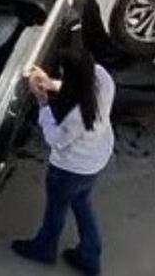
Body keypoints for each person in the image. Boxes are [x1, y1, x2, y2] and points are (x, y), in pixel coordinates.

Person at [11, 33, 115, 276]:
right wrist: (49, 82)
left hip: (69, 169)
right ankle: (91, 256)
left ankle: (45, 248)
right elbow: (78, 85)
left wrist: (42, 102)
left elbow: (55, 140)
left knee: (56, 210)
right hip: (95, 160)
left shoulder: (75, 116)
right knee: (82, 204)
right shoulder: (102, 77)